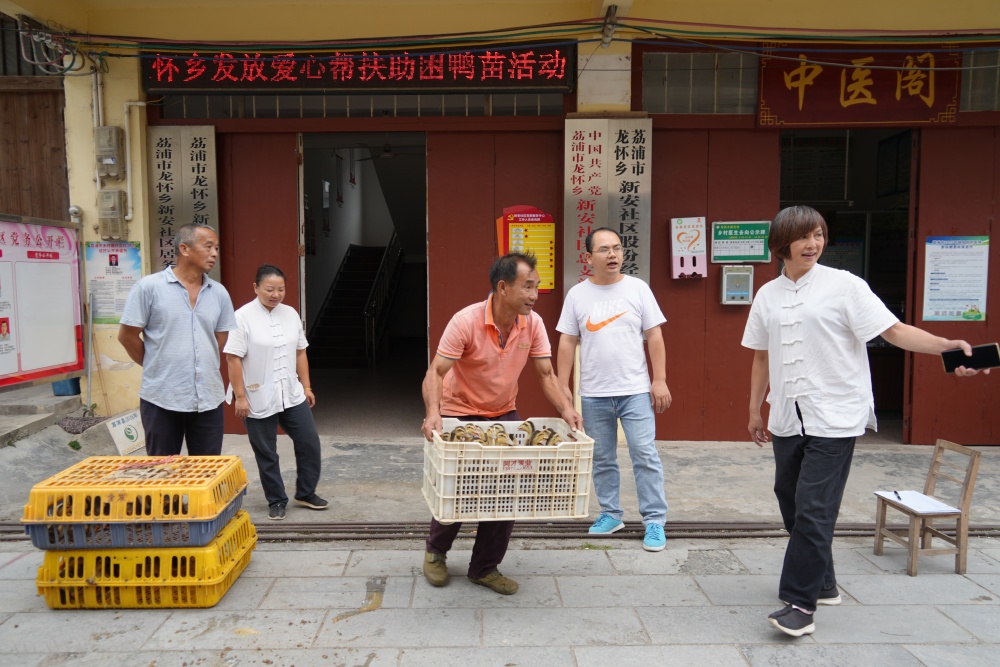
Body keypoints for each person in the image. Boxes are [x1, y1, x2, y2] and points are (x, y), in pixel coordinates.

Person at [742, 205, 988, 638]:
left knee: (814, 507)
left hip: (835, 415)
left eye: (819, 235)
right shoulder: (767, 295)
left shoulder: (845, 286)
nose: (813, 244)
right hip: (787, 416)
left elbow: (893, 330)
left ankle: (800, 603)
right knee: (791, 501)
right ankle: (824, 583)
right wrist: (753, 408)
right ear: (781, 243)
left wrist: (945, 346)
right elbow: (761, 355)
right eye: (803, 236)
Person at [420, 251, 583, 595]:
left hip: (503, 413)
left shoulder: (532, 323)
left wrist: (566, 409)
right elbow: (436, 372)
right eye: (528, 286)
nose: (534, 295)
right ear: (503, 287)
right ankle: (435, 553)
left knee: (507, 490)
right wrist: (433, 412)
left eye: (537, 286)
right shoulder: (465, 321)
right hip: (460, 411)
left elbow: (546, 374)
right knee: (458, 488)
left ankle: (484, 568)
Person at [556, 226, 672, 553]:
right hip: (594, 393)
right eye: (604, 249)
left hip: (635, 391)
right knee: (602, 457)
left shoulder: (638, 288)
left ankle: (654, 520)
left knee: (644, 454)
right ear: (588, 257)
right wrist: (563, 388)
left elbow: (655, 336)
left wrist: (659, 379)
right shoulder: (577, 294)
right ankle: (611, 513)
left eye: (617, 248)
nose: (613, 254)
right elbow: (567, 341)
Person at [118, 223, 236, 456]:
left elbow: (220, 339)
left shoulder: (219, 293)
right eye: (208, 246)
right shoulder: (149, 288)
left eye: (217, 248)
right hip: (161, 397)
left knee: (207, 469)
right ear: (184, 249)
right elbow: (127, 336)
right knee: (162, 469)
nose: (214, 253)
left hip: (208, 398)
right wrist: (156, 363)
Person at [224, 264, 327, 521]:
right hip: (256, 394)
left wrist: (306, 386)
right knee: (266, 451)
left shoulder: (290, 313)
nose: (276, 294)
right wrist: (240, 397)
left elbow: (300, 351)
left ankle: (306, 492)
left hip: (290, 391)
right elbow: (233, 358)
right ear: (256, 287)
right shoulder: (242, 317)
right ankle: (276, 500)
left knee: (309, 441)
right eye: (269, 289)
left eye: (281, 289)